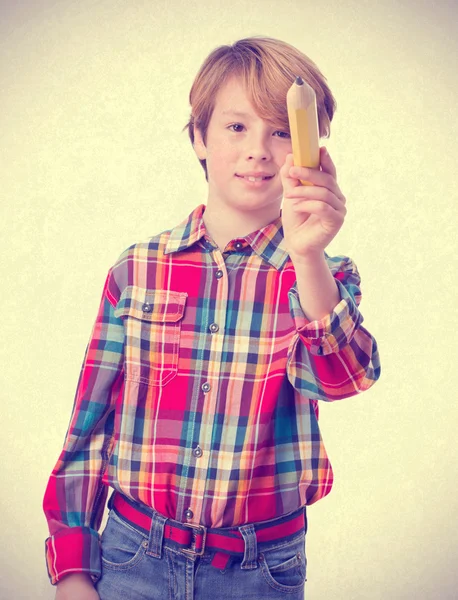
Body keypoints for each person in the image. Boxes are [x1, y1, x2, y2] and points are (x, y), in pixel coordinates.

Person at [43, 35, 381, 599]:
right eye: (236, 127)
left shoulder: (322, 274)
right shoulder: (139, 269)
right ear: (199, 137)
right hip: (132, 557)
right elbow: (89, 427)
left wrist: (308, 254)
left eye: (281, 130)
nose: (259, 150)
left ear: (310, 149)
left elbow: (344, 379)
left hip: (260, 570)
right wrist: (74, 571)